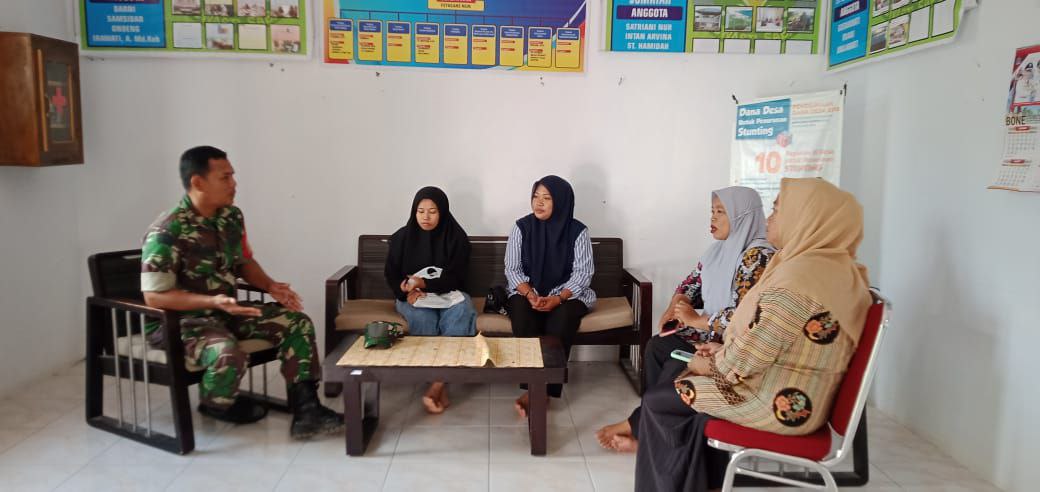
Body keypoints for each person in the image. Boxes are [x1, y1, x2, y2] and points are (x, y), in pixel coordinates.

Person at [635, 178, 873, 492]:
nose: (769, 219)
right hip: (796, 391)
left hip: (778, 402)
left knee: (660, 399)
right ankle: (699, 478)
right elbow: (767, 339)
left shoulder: (797, 284)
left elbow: (744, 361)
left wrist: (708, 362)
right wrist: (719, 350)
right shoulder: (835, 271)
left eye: (778, 210)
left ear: (805, 219)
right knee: (671, 367)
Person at [140, 146, 343, 440]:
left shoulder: (231, 217)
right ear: (198, 182)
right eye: (225, 177)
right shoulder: (167, 230)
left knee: (296, 322)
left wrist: (270, 286)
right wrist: (212, 301)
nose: (234, 183)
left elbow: (243, 262)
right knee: (227, 352)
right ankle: (216, 403)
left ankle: (308, 410)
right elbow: (155, 297)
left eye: (232, 176)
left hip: (227, 311)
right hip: (181, 322)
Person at [595, 186, 774, 453]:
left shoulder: (757, 257)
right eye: (712, 211)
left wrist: (697, 321)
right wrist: (674, 307)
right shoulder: (717, 251)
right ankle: (651, 428)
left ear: (742, 216)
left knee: (674, 362)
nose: (712, 218)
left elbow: (745, 318)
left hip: (730, 346)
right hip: (706, 336)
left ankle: (642, 429)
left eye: (721, 212)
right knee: (658, 346)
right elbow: (691, 284)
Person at [505, 175, 595, 417]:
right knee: (522, 314)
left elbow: (583, 273)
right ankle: (531, 387)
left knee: (562, 318)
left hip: (567, 294)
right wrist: (529, 294)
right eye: (536, 196)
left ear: (561, 202)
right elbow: (512, 269)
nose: (539, 202)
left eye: (547, 198)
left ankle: (545, 391)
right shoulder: (521, 227)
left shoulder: (578, 231)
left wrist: (559, 298)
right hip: (528, 292)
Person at [385, 186, 476, 414]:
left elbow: (457, 277)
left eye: (432, 211)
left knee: (461, 312)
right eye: (420, 211)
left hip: (450, 293)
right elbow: (391, 273)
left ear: (442, 212)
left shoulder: (456, 238)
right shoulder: (401, 238)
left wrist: (423, 283)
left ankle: (437, 385)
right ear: (413, 212)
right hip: (414, 297)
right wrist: (406, 291)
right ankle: (440, 383)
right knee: (423, 317)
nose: (426, 217)